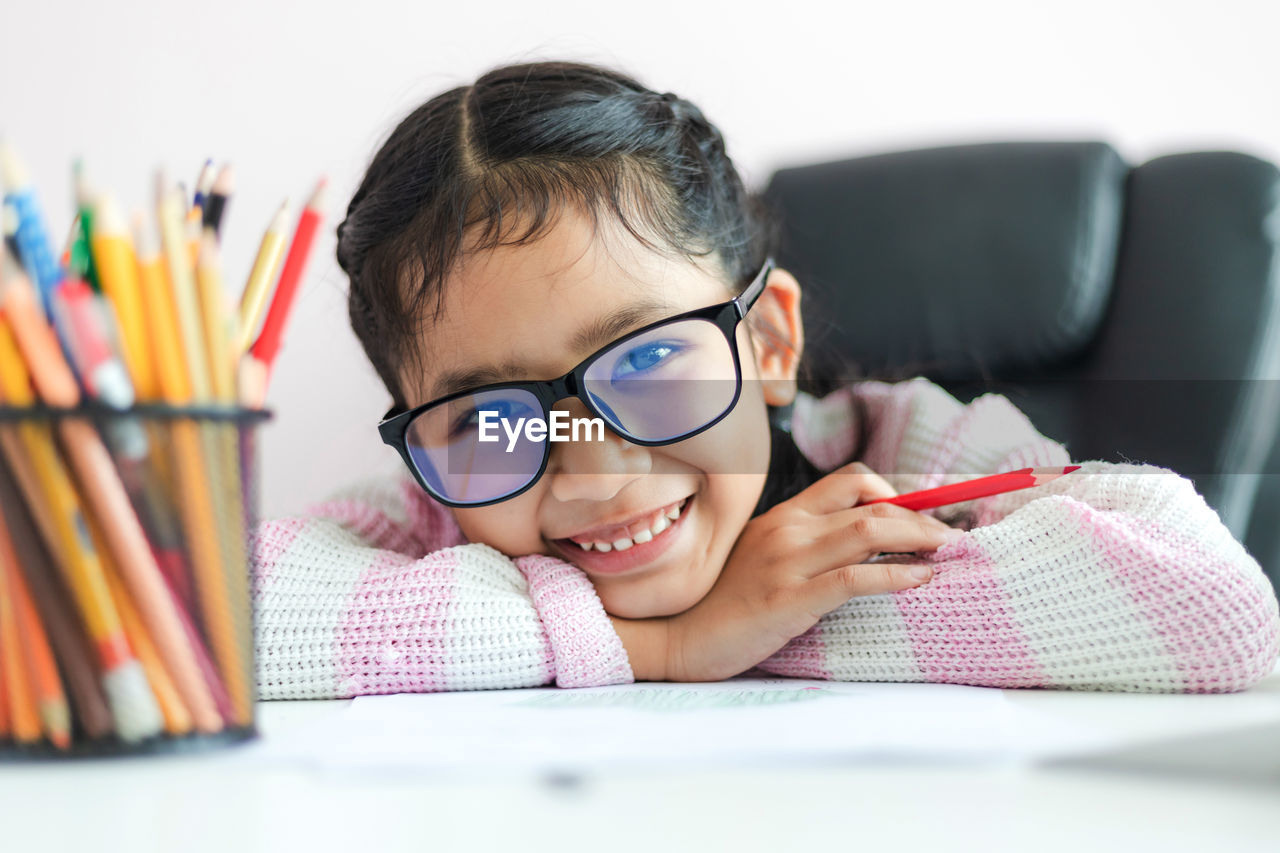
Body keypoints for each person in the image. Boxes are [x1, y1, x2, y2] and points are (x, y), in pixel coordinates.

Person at [251, 60, 1279, 700]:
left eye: (648, 357)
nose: (594, 473)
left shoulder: (901, 446)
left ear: (767, 344)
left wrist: (778, 617)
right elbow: (212, 623)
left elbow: (1212, 609)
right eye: (489, 414)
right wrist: (673, 645)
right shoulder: (440, 505)